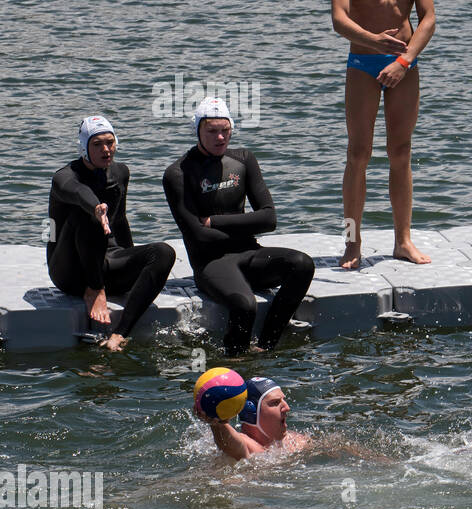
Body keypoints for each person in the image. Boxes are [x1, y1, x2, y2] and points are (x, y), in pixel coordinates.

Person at [330, 0, 437, 269]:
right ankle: (351, 243)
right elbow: (339, 18)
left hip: (403, 65)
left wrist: (405, 60)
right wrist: (372, 40)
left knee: (400, 152)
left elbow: (428, 19)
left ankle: (403, 241)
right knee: (358, 154)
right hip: (362, 62)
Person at [163, 97, 315, 356]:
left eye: (225, 130)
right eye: (211, 131)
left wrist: (215, 221)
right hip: (212, 264)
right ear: (197, 131)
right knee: (245, 305)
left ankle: (266, 345)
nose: (220, 137)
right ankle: (236, 361)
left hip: (250, 253)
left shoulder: (244, 160)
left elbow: (269, 219)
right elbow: (198, 236)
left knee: (302, 264)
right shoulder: (178, 174)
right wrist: (244, 224)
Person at [47, 116, 176, 351]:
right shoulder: (64, 178)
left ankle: (120, 333)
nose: (106, 149)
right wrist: (97, 208)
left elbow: (121, 221)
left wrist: (135, 262)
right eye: (97, 144)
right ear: (84, 147)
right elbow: (77, 192)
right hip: (70, 271)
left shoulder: (120, 173)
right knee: (87, 215)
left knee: (164, 252)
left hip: (106, 261)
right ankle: (94, 289)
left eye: (110, 142)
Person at [194, 374, 309, 461]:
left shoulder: (296, 441)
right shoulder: (246, 446)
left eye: (283, 400)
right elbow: (230, 443)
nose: (287, 407)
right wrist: (216, 422)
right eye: (275, 403)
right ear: (252, 412)